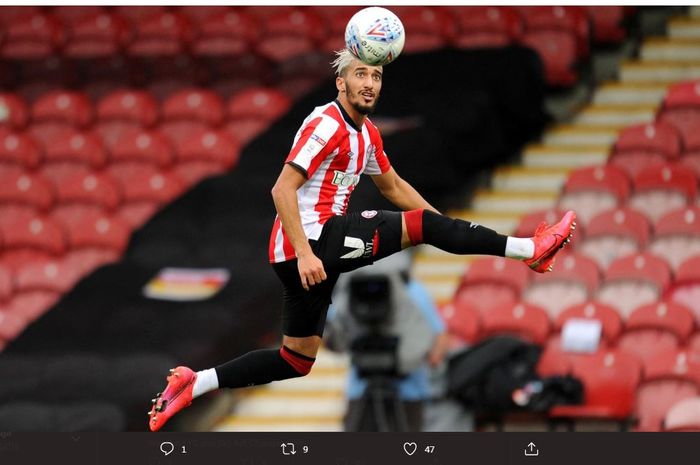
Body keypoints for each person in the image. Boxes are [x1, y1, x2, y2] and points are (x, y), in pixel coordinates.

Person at [148, 49, 576, 432]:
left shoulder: (367, 134)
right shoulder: (324, 122)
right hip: (312, 241)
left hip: (310, 250)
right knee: (421, 227)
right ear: (342, 82)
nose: (370, 83)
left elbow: (393, 187)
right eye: (361, 75)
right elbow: (282, 190)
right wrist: (305, 254)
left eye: (376, 77)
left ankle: (195, 382)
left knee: (295, 361)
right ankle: (529, 251)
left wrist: (443, 225)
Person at [324, 250, 451, 432]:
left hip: (365, 393)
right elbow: (439, 343)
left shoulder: (352, 291)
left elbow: (332, 336)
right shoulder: (413, 290)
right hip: (407, 396)